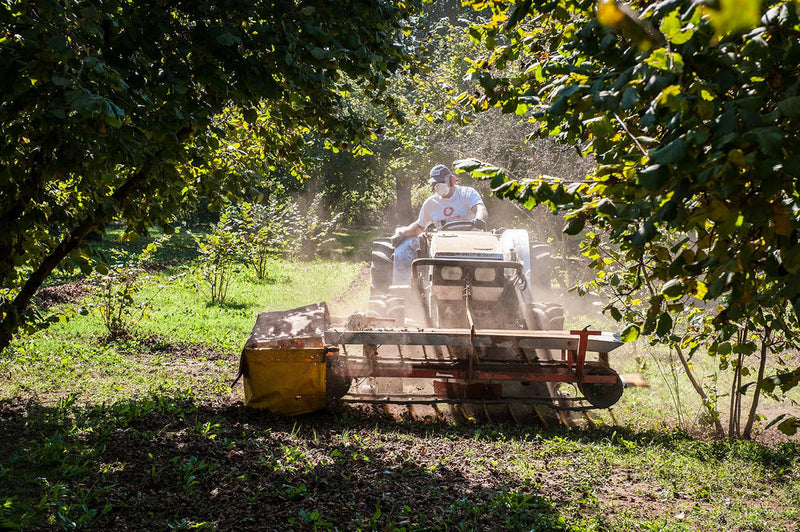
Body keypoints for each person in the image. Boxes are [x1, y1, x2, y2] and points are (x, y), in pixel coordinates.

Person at [390, 164, 488, 285]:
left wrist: (480, 219)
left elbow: (480, 208)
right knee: (405, 245)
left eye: (441, 181)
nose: (438, 186)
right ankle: (406, 290)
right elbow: (420, 226)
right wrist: (402, 233)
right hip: (443, 245)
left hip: (473, 241)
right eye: (435, 184)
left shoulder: (466, 193)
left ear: (452, 180)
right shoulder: (431, 203)